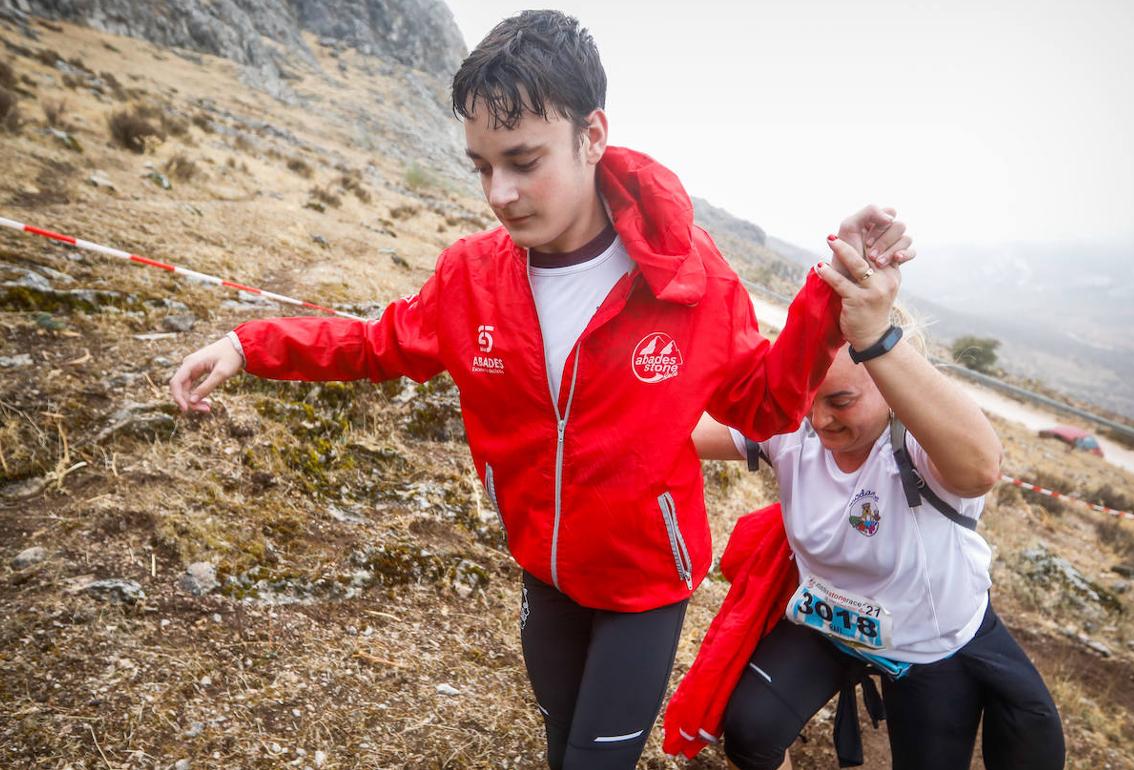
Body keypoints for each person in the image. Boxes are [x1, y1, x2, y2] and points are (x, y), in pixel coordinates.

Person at [169, 11, 914, 769]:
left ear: (593, 136)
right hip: (544, 566)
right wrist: (248, 345)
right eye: (482, 167)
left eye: (523, 161)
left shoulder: (688, 279)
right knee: (561, 742)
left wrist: (827, 298)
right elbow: (376, 345)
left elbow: (763, 406)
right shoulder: (471, 275)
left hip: (644, 586)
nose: (500, 193)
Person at [665, 236, 1065, 770]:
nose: (819, 419)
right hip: (828, 626)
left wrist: (876, 337)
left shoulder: (917, 447)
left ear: (889, 385)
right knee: (749, 733)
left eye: (841, 400)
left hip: (929, 646)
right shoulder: (791, 427)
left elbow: (980, 469)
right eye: (809, 398)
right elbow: (674, 432)